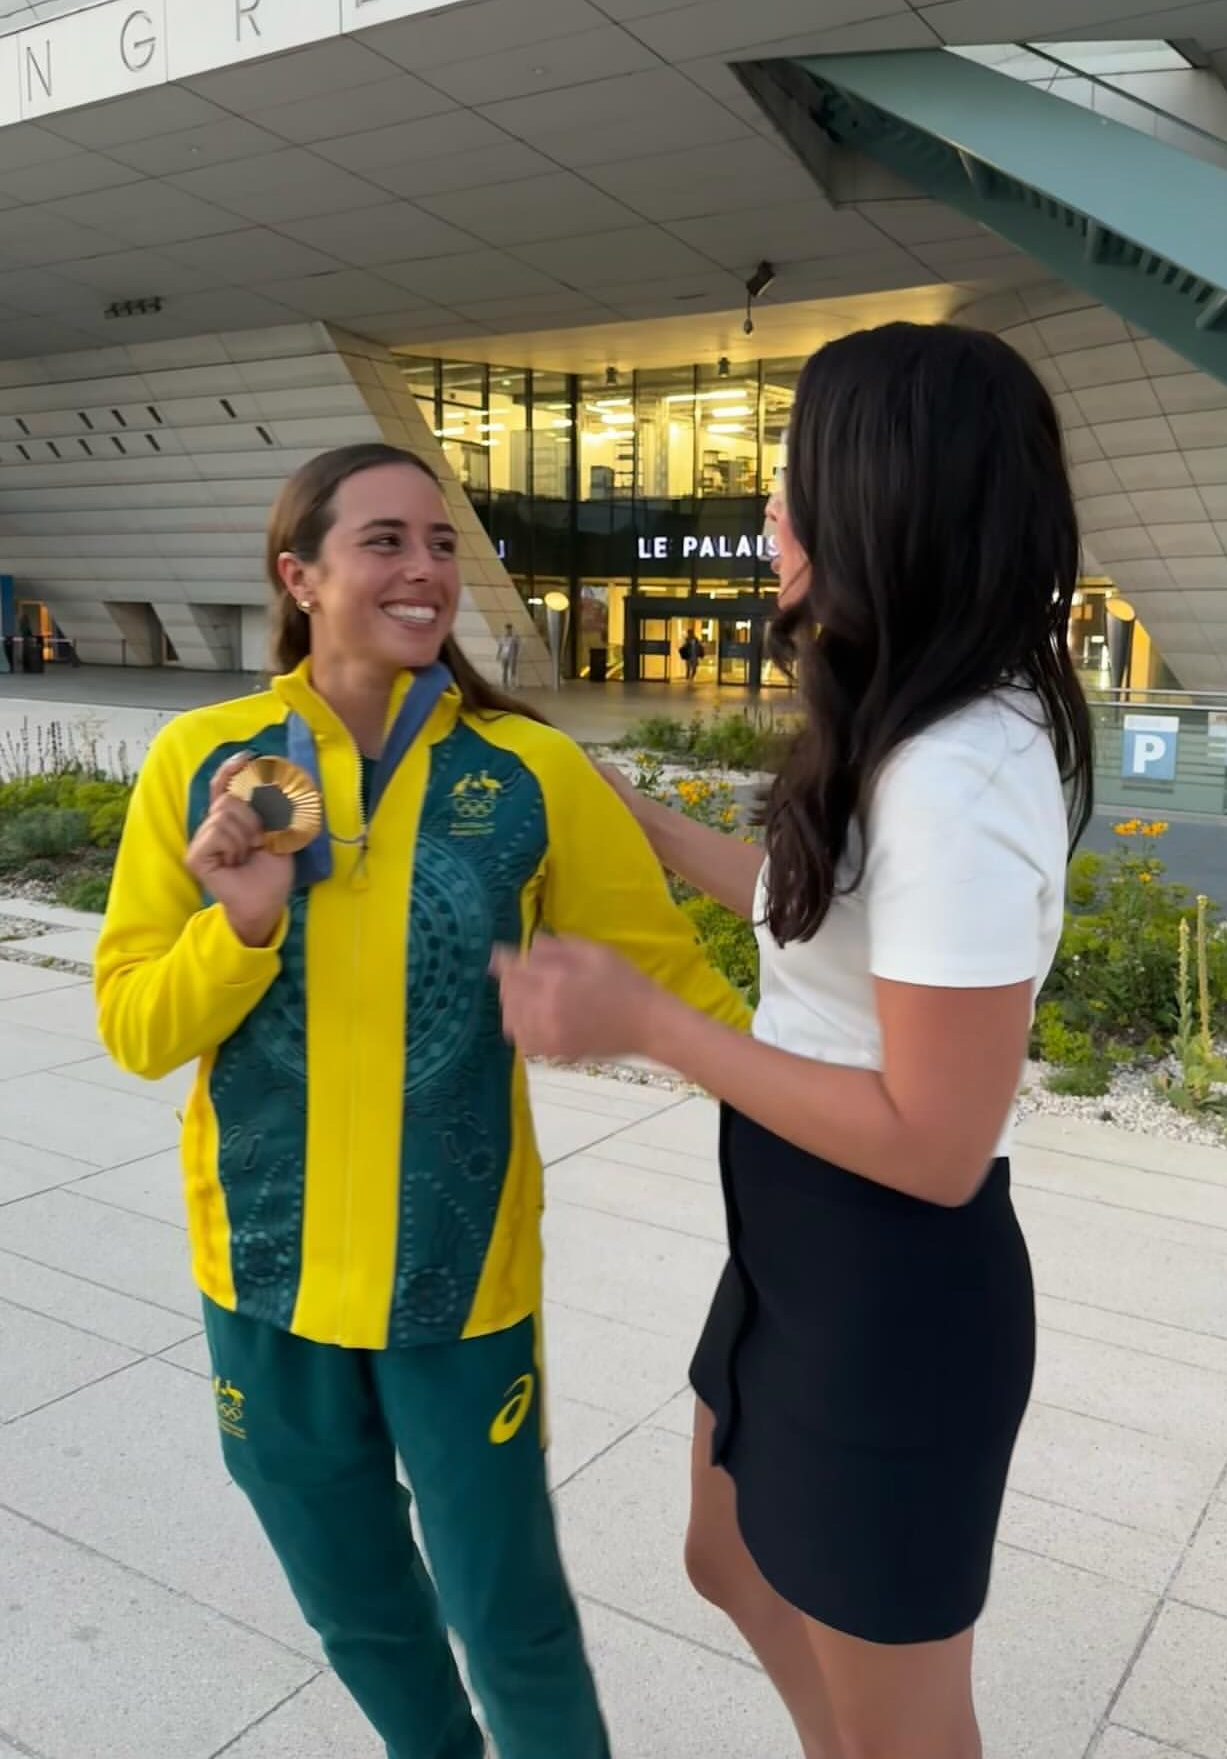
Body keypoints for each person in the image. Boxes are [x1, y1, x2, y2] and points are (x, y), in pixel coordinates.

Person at [493, 323, 1093, 1759]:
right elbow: (819, 913)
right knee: (729, 1556)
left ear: (884, 502)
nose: (771, 509)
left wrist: (648, 1023)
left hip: (896, 1290)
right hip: (802, 1247)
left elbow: (936, 1146)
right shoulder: (916, 717)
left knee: (904, 1727)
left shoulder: (959, 773)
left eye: (795, 477)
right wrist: (632, 819)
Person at [94, 443, 749, 1759]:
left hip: (459, 1285)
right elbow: (135, 1027)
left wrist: (835, 1102)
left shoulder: (531, 772)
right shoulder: (205, 761)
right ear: (301, 576)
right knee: (359, 1614)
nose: (426, 568)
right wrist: (244, 925)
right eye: (386, 540)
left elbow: (675, 983)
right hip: (263, 1274)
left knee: (512, 1620)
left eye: (442, 542)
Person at [498, 622, 521, 691]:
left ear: (511, 629)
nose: (508, 630)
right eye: (506, 629)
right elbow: (500, 646)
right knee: (504, 671)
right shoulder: (502, 637)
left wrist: (516, 655)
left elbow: (517, 647)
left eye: (509, 629)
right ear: (505, 629)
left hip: (512, 656)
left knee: (512, 671)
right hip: (504, 656)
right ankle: (504, 684)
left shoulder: (515, 637)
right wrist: (498, 655)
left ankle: (512, 684)